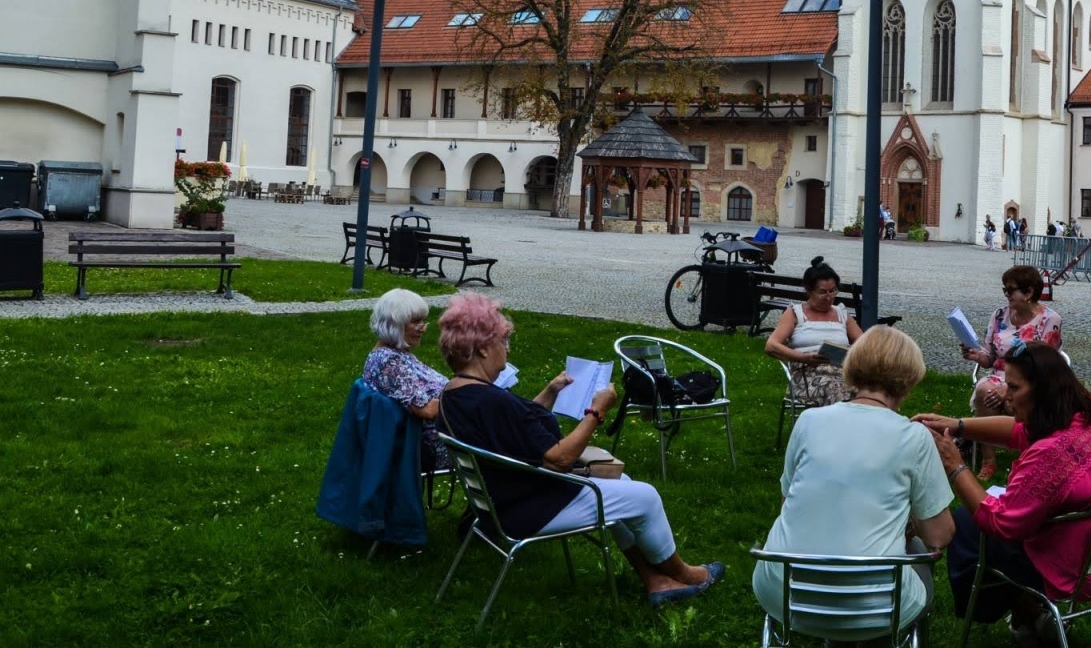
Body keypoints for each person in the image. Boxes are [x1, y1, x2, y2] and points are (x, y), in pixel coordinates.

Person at [436, 292, 723, 607]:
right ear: (482, 349)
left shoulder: (455, 394)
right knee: (646, 497)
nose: (507, 349)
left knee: (623, 486)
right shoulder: (491, 400)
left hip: (500, 502)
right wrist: (597, 412)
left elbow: (513, 429)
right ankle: (690, 575)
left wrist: (549, 392)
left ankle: (656, 581)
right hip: (528, 509)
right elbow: (560, 459)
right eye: (504, 342)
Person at [914, 344, 1091, 643]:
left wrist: (955, 465)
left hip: (1078, 570)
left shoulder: (1051, 456)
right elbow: (1021, 431)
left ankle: (1025, 612)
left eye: (1013, 387)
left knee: (967, 526)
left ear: (1042, 390)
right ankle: (1028, 613)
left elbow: (1000, 523)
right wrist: (958, 426)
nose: (1005, 395)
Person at [753, 326, 956, 640]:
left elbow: (788, 506)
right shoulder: (914, 437)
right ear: (909, 382)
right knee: (914, 550)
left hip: (784, 590)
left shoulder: (809, 421)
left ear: (852, 370)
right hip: (876, 606)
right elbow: (939, 536)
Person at [963, 266, 1063, 480]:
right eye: (1005, 290)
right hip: (1001, 374)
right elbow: (990, 357)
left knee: (1018, 397)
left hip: (1033, 379)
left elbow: (1045, 365)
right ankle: (988, 460)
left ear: (1028, 293)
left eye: (1011, 290)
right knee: (984, 389)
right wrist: (975, 355)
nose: (1006, 295)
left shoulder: (1050, 320)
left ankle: (1028, 457)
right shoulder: (999, 315)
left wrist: (1008, 387)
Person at [363, 288, 449, 471]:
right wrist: (465, 396)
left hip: (438, 435)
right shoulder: (388, 362)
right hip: (429, 446)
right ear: (394, 324)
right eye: (415, 322)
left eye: (423, 321)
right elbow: (425, 410)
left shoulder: (396, 353)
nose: (423, 328)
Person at [765, 256, 863, 408]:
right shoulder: (795, 313)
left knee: (870, 390)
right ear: (809, 290)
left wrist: (850, 353)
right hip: (808, 374)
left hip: (841, 371)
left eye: (833, 291)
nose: (829, 297)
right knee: (836, 388)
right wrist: (803, 358)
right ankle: (838, 430)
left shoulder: (842, 313)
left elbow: (864, 344)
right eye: (822, 292)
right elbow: (771, 345)